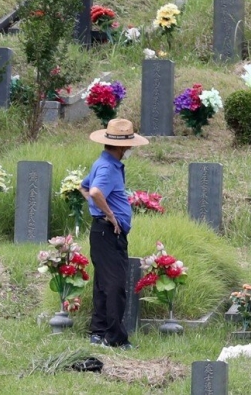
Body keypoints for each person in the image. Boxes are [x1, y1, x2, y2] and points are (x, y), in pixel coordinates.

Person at [79, 118, 149, 349]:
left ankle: (98, 332)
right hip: (108, 231)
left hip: (102, 232)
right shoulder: (108, 167)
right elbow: (96, 191)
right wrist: (109, 214)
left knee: (102, 283)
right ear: (121, 146)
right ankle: (115, 338)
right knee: (116, 285)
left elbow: (84, 187)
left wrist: (96, 208)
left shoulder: (103, 162)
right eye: (128, 145)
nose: (130, 149)